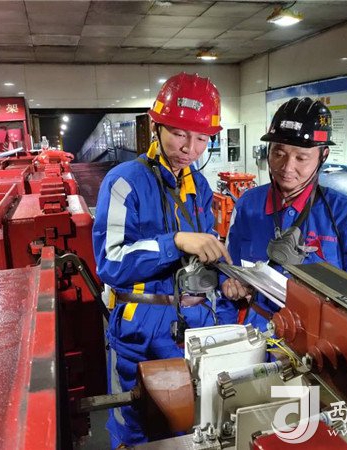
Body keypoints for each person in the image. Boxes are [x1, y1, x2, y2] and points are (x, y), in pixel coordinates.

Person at [92, 72, 231, 448]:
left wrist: (225, 273)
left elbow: (203, 253)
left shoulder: (199, 187)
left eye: (201, 138)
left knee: (192, 425)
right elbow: (111, 262)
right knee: (138, 427)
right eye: (179, 134)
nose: (190, 148)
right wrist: (176, 242)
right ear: (156, 127)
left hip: (195, 322)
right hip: (142, 325)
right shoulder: (124, 182)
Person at [221, 97, 347, 331]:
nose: (287, 167)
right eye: (278, 153)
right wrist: (231, 286)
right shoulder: (247, 206)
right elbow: (229, 270)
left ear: (323, 155)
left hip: (318, 338)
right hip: (257, 332)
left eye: (301, 158)